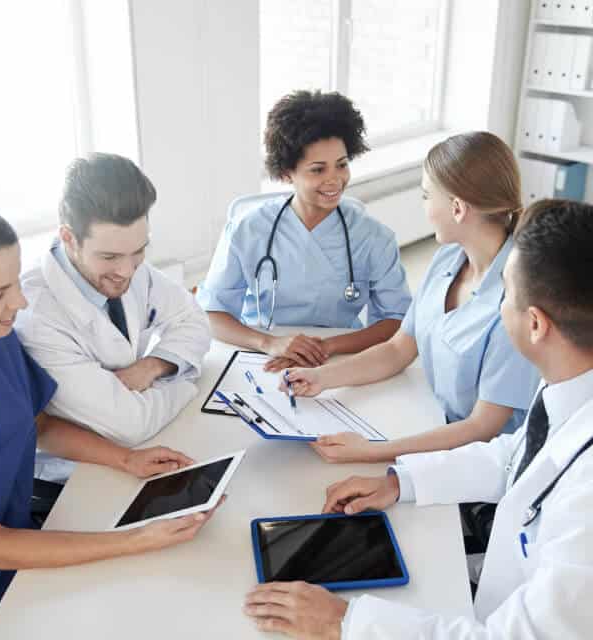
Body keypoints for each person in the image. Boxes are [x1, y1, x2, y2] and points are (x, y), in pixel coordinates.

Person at [244, 198, 593, 639]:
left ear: (536, 325)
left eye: (505, 292)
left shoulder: (588, 500)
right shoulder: (572, 382)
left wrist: (346, 623)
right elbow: (516, 456)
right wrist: (400, 482)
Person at [0, 199, 217, 640]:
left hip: (27, 556)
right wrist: (137, 539)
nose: (19, 302)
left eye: (15, 283)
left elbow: (39, 426)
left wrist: (124, 459)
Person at [286, 132, 539, 463]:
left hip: (480, 460)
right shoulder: (447, 261)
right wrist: (322, 378)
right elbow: (397, 349)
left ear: (458, 208)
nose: (424, 207)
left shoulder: (516, 302)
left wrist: (374, 451)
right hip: (427, 419)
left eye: (425, 195)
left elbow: (482, 428)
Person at [16, 153, 211, 482]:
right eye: (109, 256)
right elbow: (129, 426)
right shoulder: (36, 316)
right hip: (79, 475)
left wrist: (153, 366)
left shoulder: (128, 265)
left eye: (138, 251)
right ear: (68, 239)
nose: (126, 271)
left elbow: (194, 320)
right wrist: (188, 377)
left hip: (147, 447)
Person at [196, 90, 411, 372]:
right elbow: (212, 313)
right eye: (318, 170)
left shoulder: (373, 238)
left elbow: (397, 319)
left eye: (342, 165)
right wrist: (269, 343)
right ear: (287, 173)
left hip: (340, 354)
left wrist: (326, 348)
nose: (335, 180)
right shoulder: (247, 230)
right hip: (260, 352)